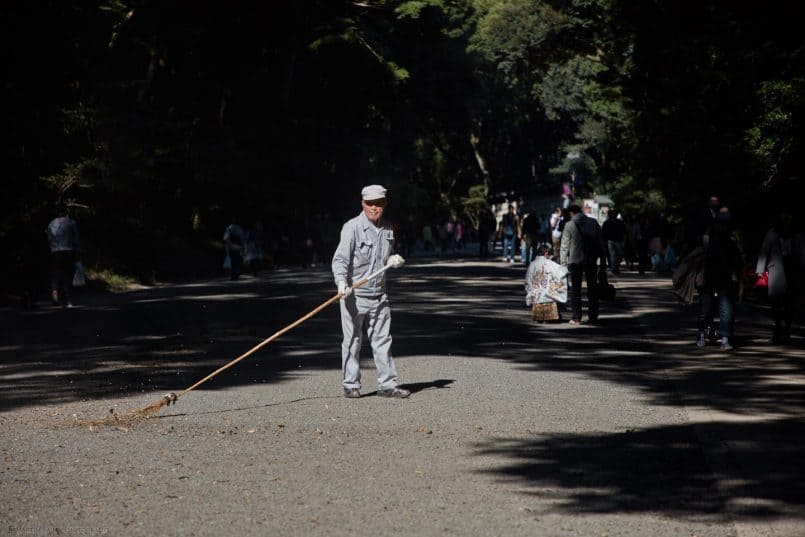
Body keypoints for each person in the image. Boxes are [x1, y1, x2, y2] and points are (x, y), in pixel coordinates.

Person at [332, 184, 409, 399]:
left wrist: (392, 260)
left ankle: (387, 385)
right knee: (352, 340)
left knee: (383, 340)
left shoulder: (388, 229)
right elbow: (340, 259)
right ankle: (350, 384)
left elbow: (383, 258)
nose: (375, 208)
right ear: (362, 203)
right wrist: (341, 282)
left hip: (379, 294)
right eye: (370, 203)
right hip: (353, 295)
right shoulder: (352, 228)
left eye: (380, 203)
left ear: (386, 204)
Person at [696, 207, 745, 350]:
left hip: (725, 278)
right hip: (708, 278)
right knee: (706, 308)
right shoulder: (707, 240)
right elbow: (697, 259)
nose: (721, 226)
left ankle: (725, 337)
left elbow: (737, 263)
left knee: (725, 309)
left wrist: (741, 282)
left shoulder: (731, 242)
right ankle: (701, 332)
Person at [755, 206, 805, 344]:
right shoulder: (773, 232)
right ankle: (777, 329)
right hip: (776, 268)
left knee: (790, 303)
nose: (787, 217)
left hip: (793, 269)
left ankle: (787, 330)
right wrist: (760, 270)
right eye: (784, 214)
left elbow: (802, 252)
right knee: (776, 302)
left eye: (789, 214)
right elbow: (764, 250)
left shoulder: (798, 233)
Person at [560, 204, 605, 324]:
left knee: (576, 290)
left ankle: (576, 317)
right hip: (591, 259)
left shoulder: (569, 225)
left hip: (575, 260)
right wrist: (602, 261)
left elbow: (564, 246)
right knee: (592, 288)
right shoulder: (593, 222)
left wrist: (563, 263)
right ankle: (593, 315)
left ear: (571, 213)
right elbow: (600, 242)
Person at [46, 203, 81, 308]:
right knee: (67, 275)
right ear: (66, 212)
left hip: (55, 252)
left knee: (56, 274)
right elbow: (76, 238)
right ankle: (67, 299)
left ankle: (55, 295)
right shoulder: (71, 222)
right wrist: (78, 251)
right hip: (68, 251)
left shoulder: (51, 224)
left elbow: (49, 238)